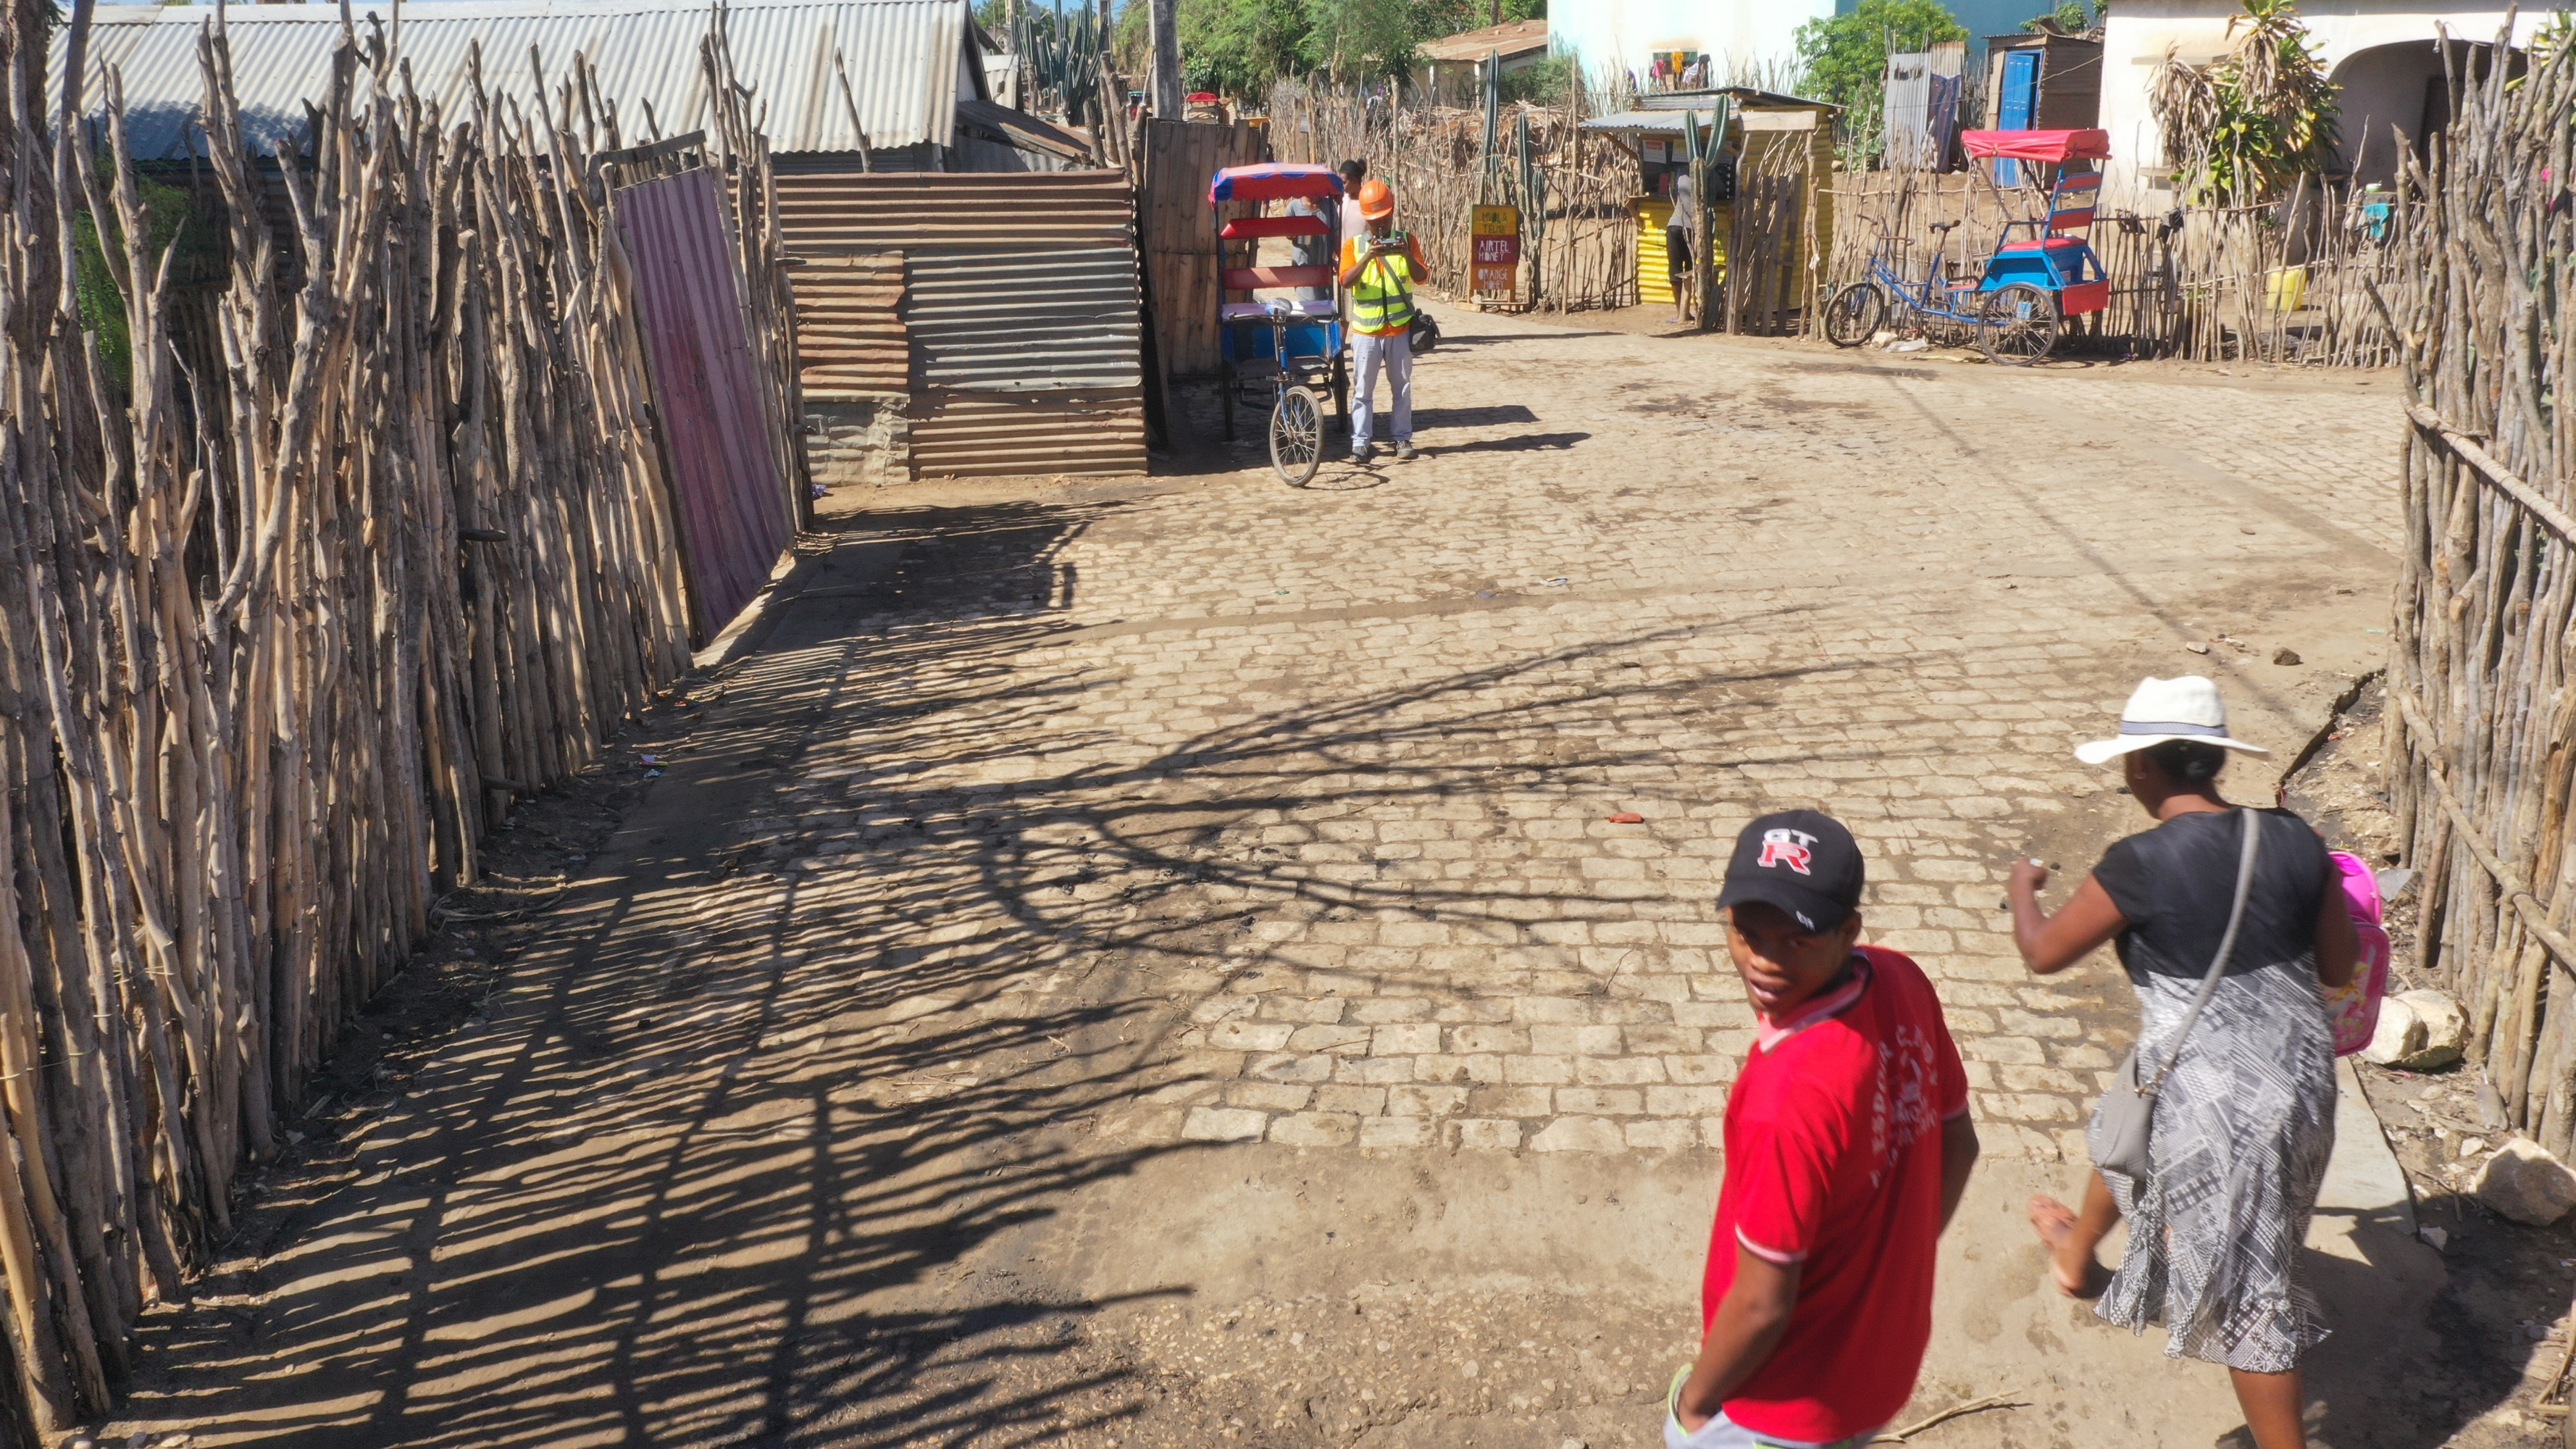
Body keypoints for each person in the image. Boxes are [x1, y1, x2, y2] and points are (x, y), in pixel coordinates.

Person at [2007, 675, 2359, 1449]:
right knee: (2128, 1117)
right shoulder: (2296, 839)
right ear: (2213, 762)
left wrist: (2022, 890)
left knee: (2249, 1293)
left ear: (2141, 767)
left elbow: (2043, 953)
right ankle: (2075, 1252)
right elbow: (2338, 965)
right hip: (2299, 1078)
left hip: (2220, 1102)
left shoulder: (2137, 862)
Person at [1670, 811, 1981, 1449]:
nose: (1763, 961)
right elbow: (1960, 1141)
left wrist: (1695, 1406)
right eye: (1747, 933)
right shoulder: (1902, 980)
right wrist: (1889, 1267)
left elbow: (1761, 1305)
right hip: (1881, 1360)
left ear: (1848, 932)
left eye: (1796, 942)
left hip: (1783, 1405)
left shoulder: (1785, 1096)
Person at [1337, 178, 1427, 465]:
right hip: (1366, 332)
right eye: (1375, 220)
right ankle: (1361, 443)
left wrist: (1404, 254)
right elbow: (1345, 281)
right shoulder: (1353, 246)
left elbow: (1422, 276)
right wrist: (1367, 258)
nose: (1381, 225)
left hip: (1399, 331)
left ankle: (1402, 438)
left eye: (1385, 218)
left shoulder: (1408, 240)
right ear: (1366, 217)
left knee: (1402, 388)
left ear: (1392, 212)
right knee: (1363, 391)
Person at [1668, 166, 1698, 326]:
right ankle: (1689, 312)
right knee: (1692, 271)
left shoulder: (1680, 177)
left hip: (1674, 226)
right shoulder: (1707, 178)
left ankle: (1681, 313)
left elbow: (1672, 192)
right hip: (1692, 229)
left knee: (1675, 270)